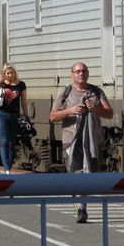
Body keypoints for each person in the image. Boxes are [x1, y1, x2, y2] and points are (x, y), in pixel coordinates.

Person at [49, 62, 113, 223]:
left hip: (93, 140)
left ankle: (81, 206)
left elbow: (110, 113)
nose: (81, 74)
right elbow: (52, 116)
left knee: (89, 174)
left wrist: (96, 109)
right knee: (76, 173)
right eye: (77, 71)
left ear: (88, 73)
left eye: (84, 71)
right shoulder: (65, 92)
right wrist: (70, 110)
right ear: (72, 74)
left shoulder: (96, 92)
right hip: (71, 140)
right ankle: (81, 206)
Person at [0, 62, 29, 174]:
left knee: (12, 142)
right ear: (4, 73)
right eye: (7, 73)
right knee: (4, 140)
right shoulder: (1, 83)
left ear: (15, 72)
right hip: (0, 114)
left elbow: (24, 102)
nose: (10, 75)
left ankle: (9, 166)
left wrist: (26, 116)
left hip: (14, 115)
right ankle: (6, 169)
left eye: (11, 73)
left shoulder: (21, 85)